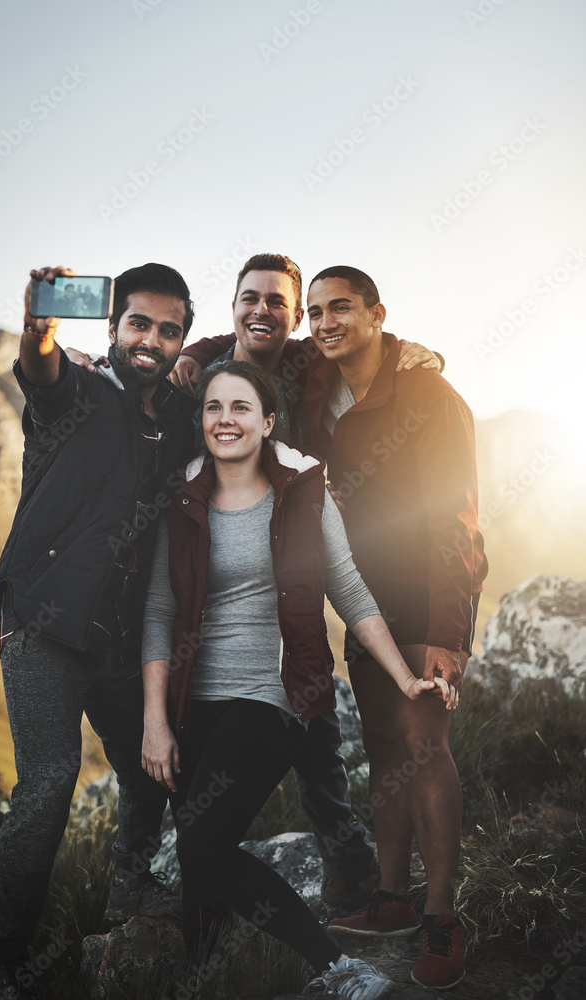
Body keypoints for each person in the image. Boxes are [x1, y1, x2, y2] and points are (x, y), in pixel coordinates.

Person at [140, 359, 456, 999]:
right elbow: (158, 611)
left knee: (201, 847)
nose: (225, 420)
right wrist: (154, 722)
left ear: (268, 421)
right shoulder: (182, 497)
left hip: (276, 695)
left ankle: (338, 970)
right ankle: (203, 978)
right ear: (201, 419)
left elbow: (349, 588)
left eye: (240, 408)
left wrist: (402, 677)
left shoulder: (304, 489)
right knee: (205, 867)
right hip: (190, 705)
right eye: (213, 408)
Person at [156, 252, 443, 914]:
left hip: (289, 588)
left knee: (313, 729)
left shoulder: (302, 368)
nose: (263, 310)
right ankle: (164, 876)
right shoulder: (200, 373)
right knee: (177, 737)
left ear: (293, 318)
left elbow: (362, 348)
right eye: (249, 298)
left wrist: (405, 351)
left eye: (278, 302)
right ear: (232, 307)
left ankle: (347, 867)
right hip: (209, 591)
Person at [0, 263, 197, 1000]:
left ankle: (127, 893)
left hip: (116, 633)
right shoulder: (78, 391)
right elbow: (41, 373)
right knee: (48, 783)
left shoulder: (174, 416)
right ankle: (2, 959)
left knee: (148, 770)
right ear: (111, 329)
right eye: (138, 323)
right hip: (42, 617)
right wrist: (40, 327)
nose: (152, 339)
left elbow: (249, 369)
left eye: (169, 330)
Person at [302, 266, 487, 991]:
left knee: (422, 739)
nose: (324, 321)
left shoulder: (428, 394)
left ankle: (442, 916)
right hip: (364, 595)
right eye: (313, 311)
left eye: (340, 307)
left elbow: (455, 514)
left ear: (378, 314)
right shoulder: (317, 383)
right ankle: (390, 900)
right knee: (382, 745)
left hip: (426, 591)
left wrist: (446, 628)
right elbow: (251, 340)